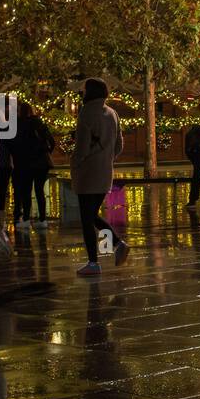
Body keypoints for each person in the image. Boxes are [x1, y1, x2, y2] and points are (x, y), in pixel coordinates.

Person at [70, 78, 129, 278]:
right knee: (91, 215)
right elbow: (119, 145)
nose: (82, 93)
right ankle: (117, 245)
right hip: (105, 172)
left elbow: (82, 147)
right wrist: (106, 158)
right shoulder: (112, 113)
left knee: (87, 219)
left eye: (83, 90)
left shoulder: (86, 113)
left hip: (88, 172)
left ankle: (94, 262)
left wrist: (76, 163)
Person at [10, 102, 55, 230]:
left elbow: (15, 144)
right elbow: (52, 142)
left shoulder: (18, 124)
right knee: (39, 190)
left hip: (26, 162)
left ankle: (26, 219)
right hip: (41, 163)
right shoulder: (39, 123)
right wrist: (45, 154)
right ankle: (42, 220)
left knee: (26, 191)